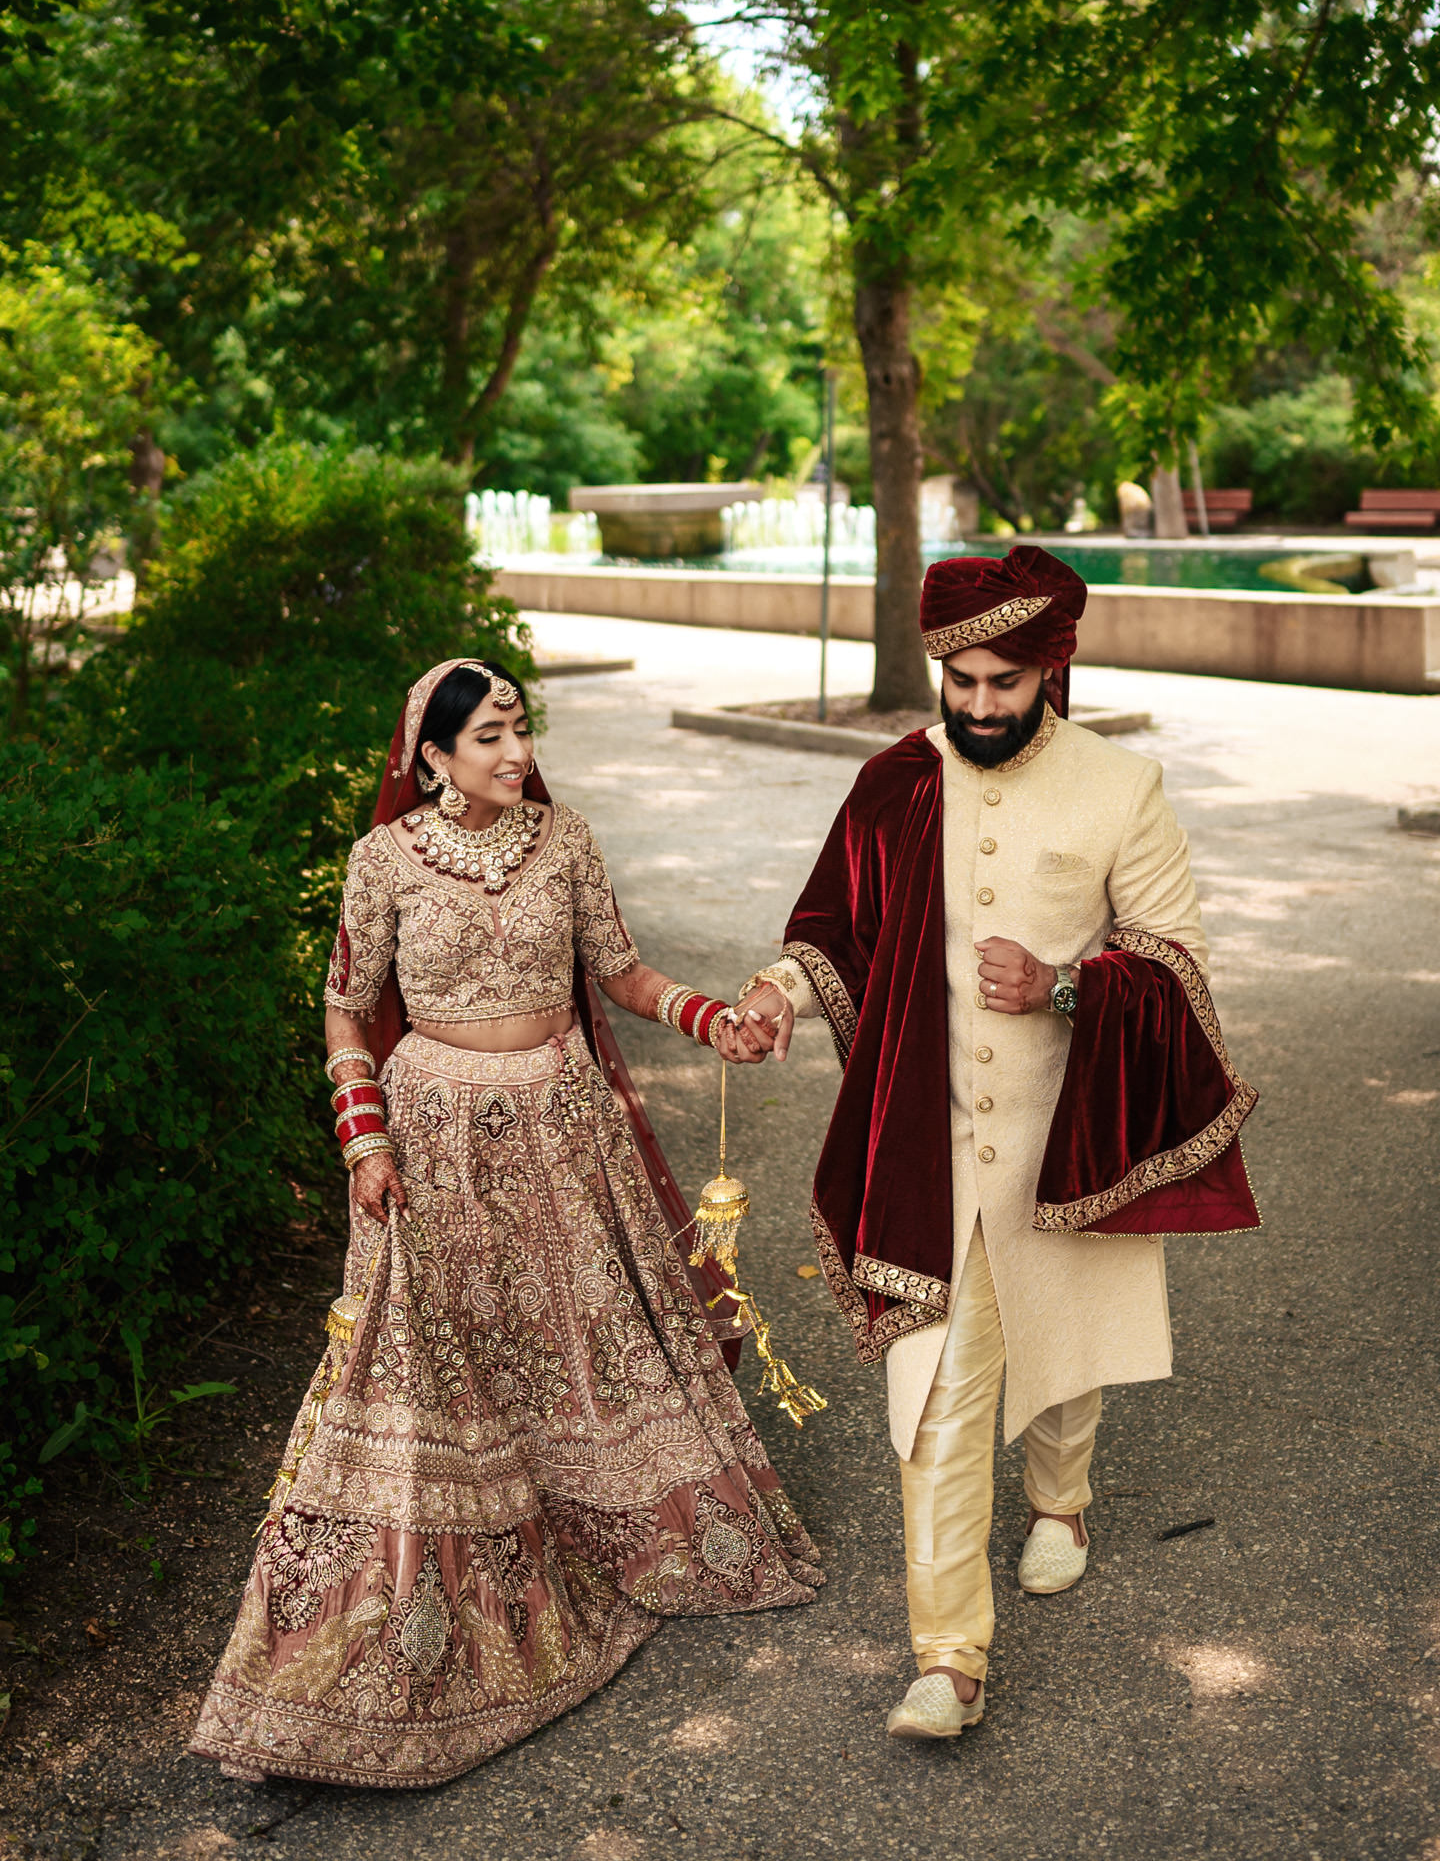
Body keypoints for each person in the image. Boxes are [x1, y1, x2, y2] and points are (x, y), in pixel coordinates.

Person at [192, 657, 821, 1791]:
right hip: (431, 1143)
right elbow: (344, 1004)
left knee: (582, 1341)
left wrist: (712, 1017)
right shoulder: (381, 862)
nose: (514, 754)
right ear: (430, 759)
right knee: (431, 1372)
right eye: (486, 738)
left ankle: (603, 1522)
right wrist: (364, 1140)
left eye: (517, 729)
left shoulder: (566, 840)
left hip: (563, 1129)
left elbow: (618, 975)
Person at [733, 548, 1258, 1741]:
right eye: (959, 681)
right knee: (937, 1401)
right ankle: (948, 1658)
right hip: (928, 1145)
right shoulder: (891, 785)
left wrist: (1069, 987)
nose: (976, 706)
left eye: (1002, 684)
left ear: (1051, 667)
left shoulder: (1122, 787)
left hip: (1060, 1141)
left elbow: (1178, 961)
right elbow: (830, 933)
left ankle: (1061, 1500)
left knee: (1060, 1354)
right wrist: (775, 994)